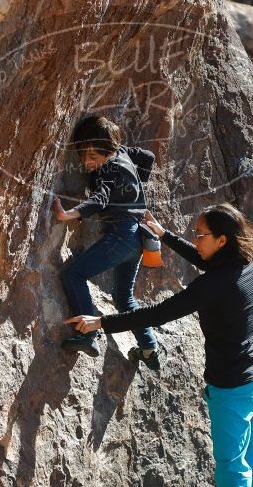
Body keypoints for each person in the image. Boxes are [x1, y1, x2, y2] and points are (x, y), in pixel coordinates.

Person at [64, 203, 253, 487]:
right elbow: (209, 262)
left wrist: (101, 322)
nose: (196, 240)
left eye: (200, 235)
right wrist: (164, 235)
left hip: (232, 390)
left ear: (222, 240)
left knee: (232, 468)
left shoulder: (213, 285)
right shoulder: (247, 263)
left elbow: (158, 314)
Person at [53, 115, 160, 368]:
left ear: (108, 150)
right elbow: (148, 157)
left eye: (92, 157)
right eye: (82, 156)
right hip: (137, 239)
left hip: (122, 236)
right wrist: (132, 188)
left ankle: (88, 333)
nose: (86, 163)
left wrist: (69, 214)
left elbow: (101, 198)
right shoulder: (122, 153)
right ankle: (148, 348)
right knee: (123, 297)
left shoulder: (108, 169)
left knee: (73, 274)